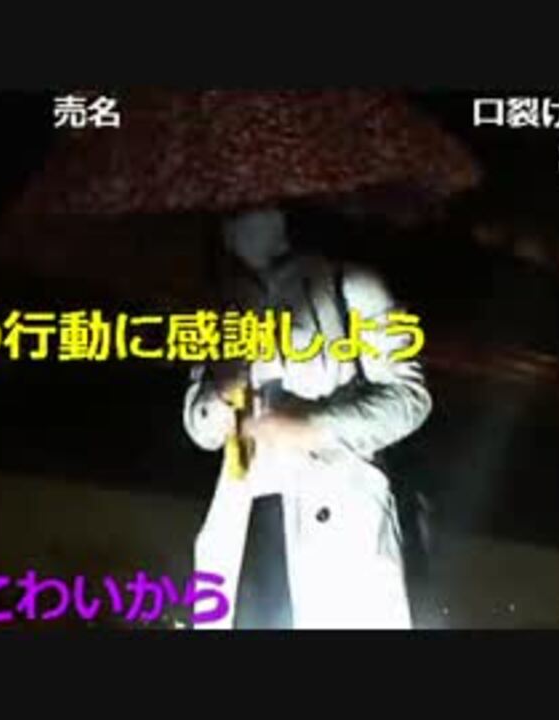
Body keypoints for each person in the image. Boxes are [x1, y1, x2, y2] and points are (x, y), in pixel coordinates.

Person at [183, 208, 432, 629]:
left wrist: (315, 428)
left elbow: (410, 398)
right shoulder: (223, 307)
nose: (242, 222)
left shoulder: (353, 286)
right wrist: (223, 395)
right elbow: (199, 426)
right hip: (244, 515)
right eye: (235, 210)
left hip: (339, 512)